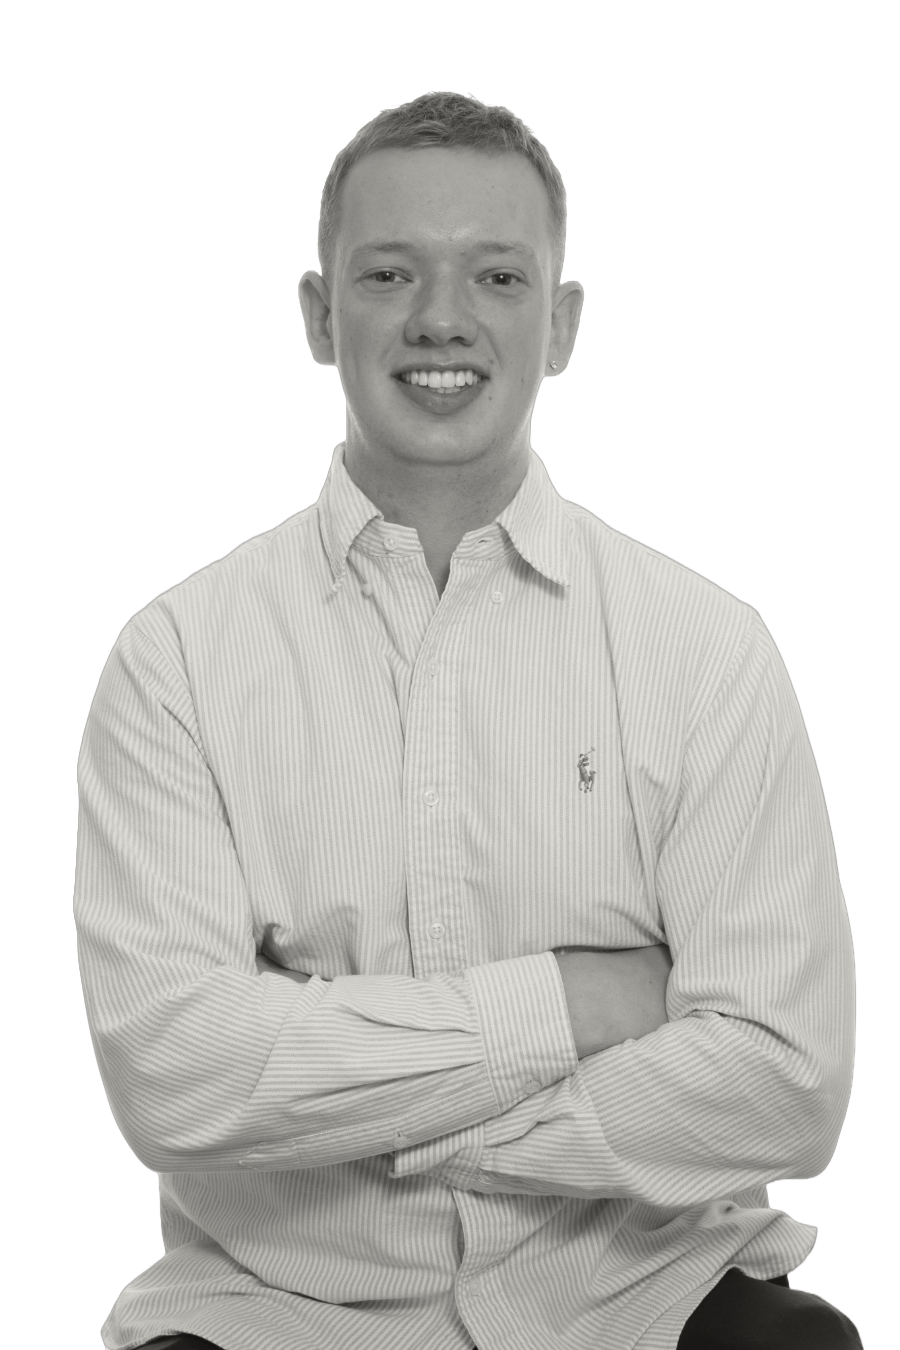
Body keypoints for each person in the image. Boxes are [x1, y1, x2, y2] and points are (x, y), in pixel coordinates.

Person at [74, 91, 862, 1349]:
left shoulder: (706, 649)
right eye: (389, 273)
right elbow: (174, 1078)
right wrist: (572, 1003)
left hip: (638, 1296)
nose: (442, 319)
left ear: (562, 325)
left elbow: (787, 1079)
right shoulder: (176, 660)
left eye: (497, 276)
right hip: (282, 1312)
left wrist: (354, 1091)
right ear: (319, 317)